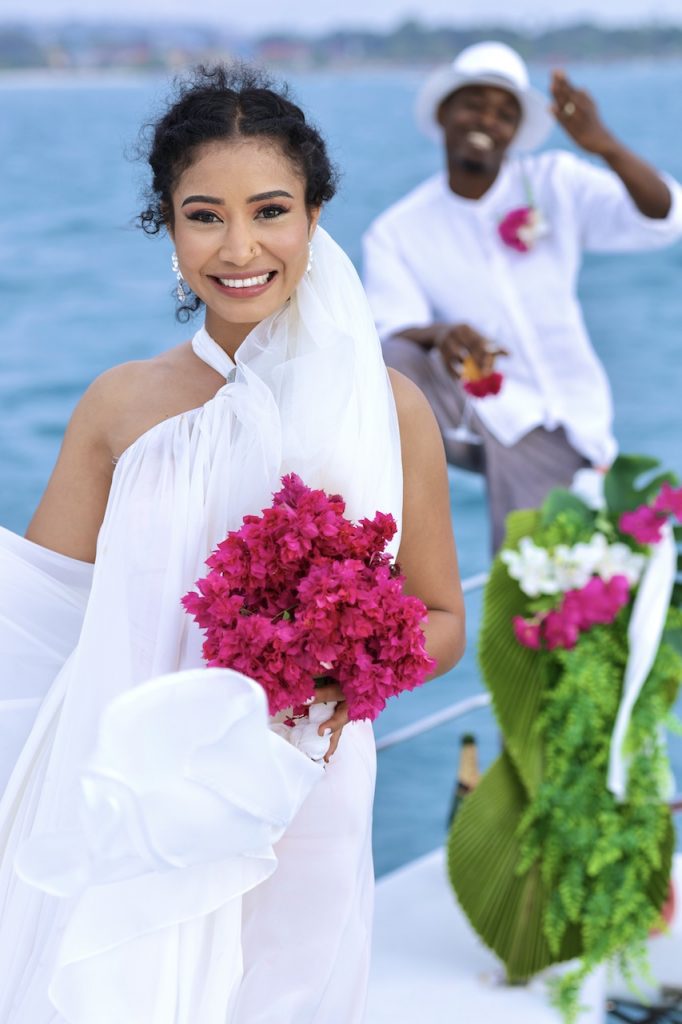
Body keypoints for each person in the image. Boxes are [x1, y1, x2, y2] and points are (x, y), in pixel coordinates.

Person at [0, 64, 464, 1023]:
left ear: (315, 216)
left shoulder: (391, 406)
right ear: (168, 229)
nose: (241, 246)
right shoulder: (119, 405)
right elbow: (38, 617)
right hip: (140, 795)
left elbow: (446, 618)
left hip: (308, 789)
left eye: (271, 210)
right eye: (205, 214)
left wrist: (362, 660)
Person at [362, 40, 682, 552]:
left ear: (515, 131)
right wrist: (442, 332)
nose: (487, 120)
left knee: (553, 586)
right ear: (444, 113)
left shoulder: (554, 181)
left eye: (504, 113)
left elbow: (663, 219)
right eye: (474, 104)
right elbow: (389, 330)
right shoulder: (397, 230)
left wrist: (605, 147)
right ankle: (390, 545)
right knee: (393, 360)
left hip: (574, 419)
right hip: (482, 415)